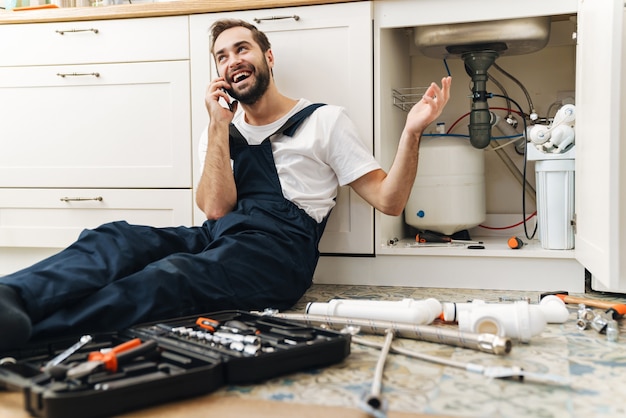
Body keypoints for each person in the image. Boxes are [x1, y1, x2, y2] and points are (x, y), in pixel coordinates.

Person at [0, 19, 451, 352]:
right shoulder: (220, 132)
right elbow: (216, 210)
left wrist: (412, 132)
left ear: (267, 57)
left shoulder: (324, 121)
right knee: (116, 239)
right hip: (218, 237)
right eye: (222, 55)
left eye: (243, 49)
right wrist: (218, 125)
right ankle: (13, 296)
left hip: (277, 256)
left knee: (168, 278)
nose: (233, 60)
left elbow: (389, 201)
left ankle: (31, 338)